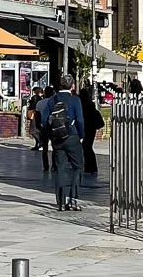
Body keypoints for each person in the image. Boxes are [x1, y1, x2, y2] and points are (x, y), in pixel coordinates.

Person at [40, 75, 85, 212]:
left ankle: (60, 202)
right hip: (72, 136)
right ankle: (73, 199)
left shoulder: (52, 100)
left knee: (60, 169)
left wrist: (52, 133)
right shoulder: (75, 99)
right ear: (72, 86)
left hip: (57, 139)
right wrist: (81, 135)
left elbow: (44, 119)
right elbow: (80, 120)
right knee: (78, 166)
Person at [79, 83, 104, 177]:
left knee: (85, 147)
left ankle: (88, 166)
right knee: (88, 147)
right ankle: (91, 166)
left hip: (84, 127)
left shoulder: (81, 105)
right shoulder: (92, 107)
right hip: (91, 129)